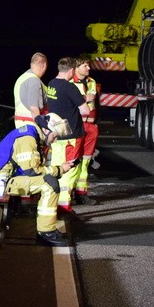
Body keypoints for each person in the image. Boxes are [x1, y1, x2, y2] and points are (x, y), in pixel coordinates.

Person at [0, 114, 77, 247]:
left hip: (5, 178)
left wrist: (58, 169)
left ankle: (47, 229)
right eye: (54, 136)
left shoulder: (32, 134)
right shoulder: (28, 139)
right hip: (0, 183)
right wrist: (59, 170)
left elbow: (34, 168)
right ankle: (46, 232)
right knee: (50, 184)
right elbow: (32, 172)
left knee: (49, 180)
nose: (54, 140)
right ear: (45, 130)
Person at [45, 56, 91, 214]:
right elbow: (86, 110)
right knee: (70, 169)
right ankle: (64, 205)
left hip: (58, 131)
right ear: (71, 71)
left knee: (57, 167)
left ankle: (53, 201)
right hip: (72, 135)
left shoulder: (51, 84)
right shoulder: (70, 87)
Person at [71, 56, 101, 205]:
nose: (88, 68)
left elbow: (95, 102)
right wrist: (84, 98)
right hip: (77, 125)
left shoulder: (92, 81)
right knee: (72, 160)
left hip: (90, 126)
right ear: (76, 68)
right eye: (85, 66)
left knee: (86, 161)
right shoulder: (69, 82)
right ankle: (68, 193)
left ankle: (81, 193)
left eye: (88, 65)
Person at [13, 52, 48, 128]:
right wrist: (45, 127)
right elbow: (34, 108)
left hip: (22, 124)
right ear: (44, 65)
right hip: (32, 126)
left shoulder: (22, 77)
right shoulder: (34, 80)